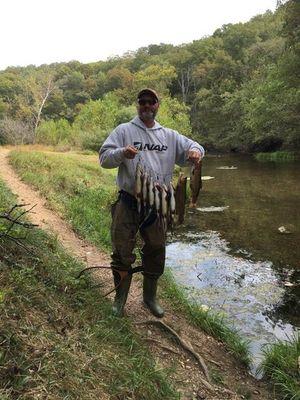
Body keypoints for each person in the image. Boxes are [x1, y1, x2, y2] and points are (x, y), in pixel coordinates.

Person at [99, 88, 204, 318]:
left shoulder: (169, 135)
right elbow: (104, 158)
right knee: (121, 251)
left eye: (151, 102)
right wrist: (121, 153)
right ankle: (120, 299)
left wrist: (196, 151)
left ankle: (150, 298)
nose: (147, 105)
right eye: (142, 102)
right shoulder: (124, 130)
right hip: (128, 202)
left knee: (156, 249)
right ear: (137, 105)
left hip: (159, 204)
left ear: (158, 105)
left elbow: (196, 147)